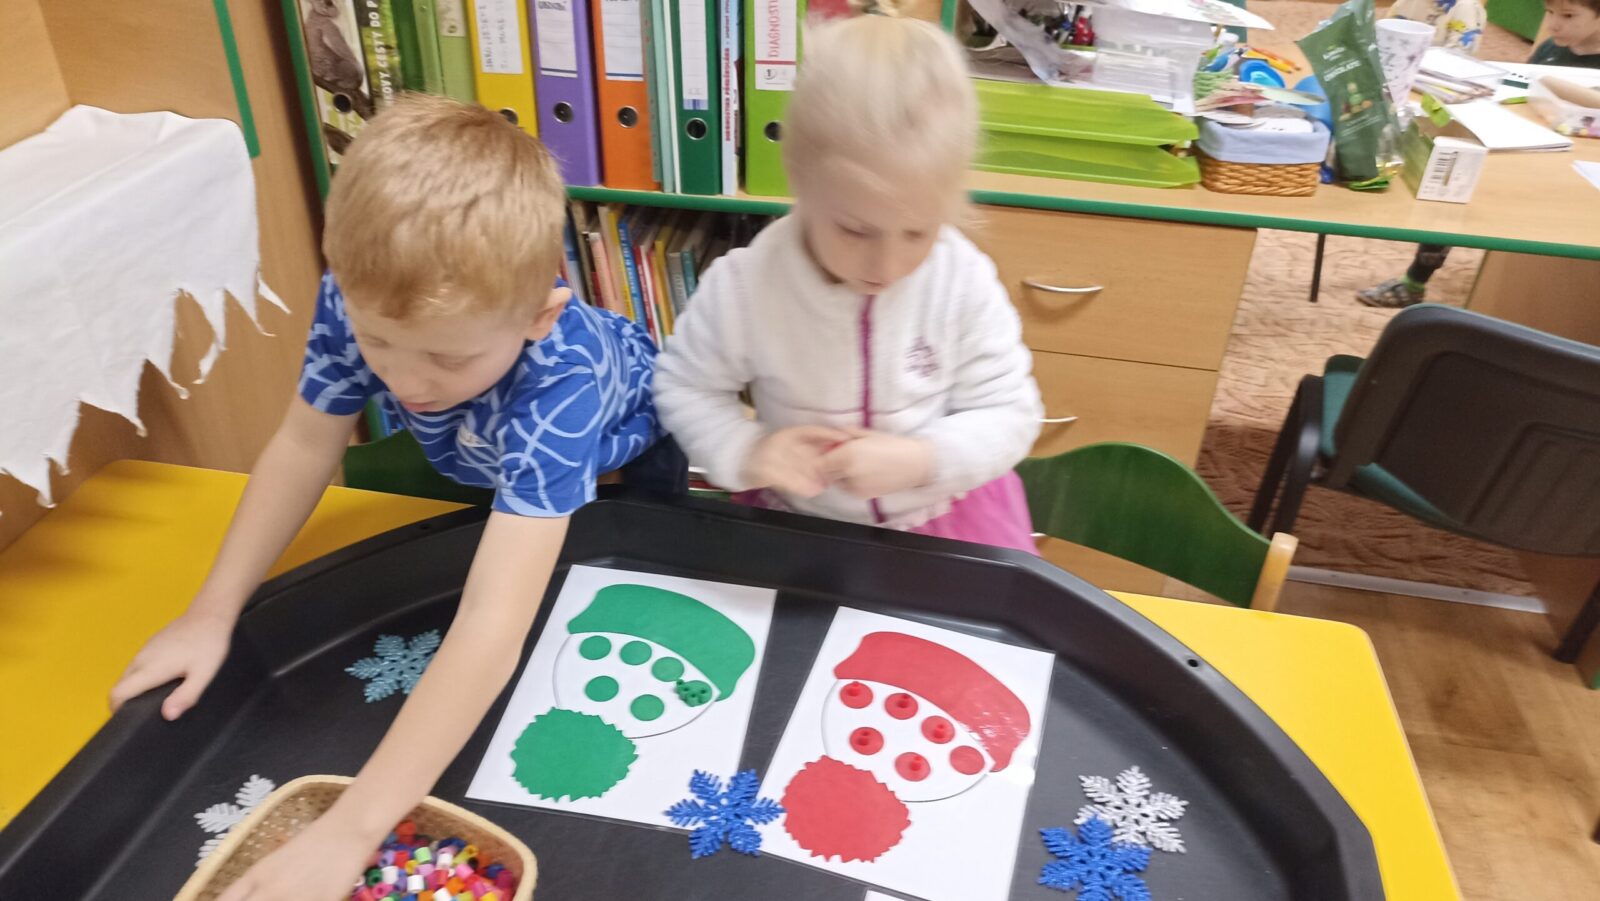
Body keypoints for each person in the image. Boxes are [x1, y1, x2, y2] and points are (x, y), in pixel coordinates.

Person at [109, 95, 677, 898]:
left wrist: (351, 829)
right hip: (490, 451)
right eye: (379, 343)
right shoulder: (360, 298)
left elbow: (491, 625)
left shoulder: (563, 383)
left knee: (622, 576)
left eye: (446, 358)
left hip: (637, 445)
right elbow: (304, 444)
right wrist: (212, 611)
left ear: (539, 316)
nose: (407, 383)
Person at [654, 0, 1043, 552]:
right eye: (855, 231)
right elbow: (684, 387)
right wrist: (746, 450)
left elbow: (1011, 412)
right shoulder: (747, 287)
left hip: (942, 518)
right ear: (799, 181)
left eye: (918, 232)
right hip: (803, 524)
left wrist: (924, 459)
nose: (885, 266)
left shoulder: (961, 280)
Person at [1358, 0, 1600, 307]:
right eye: (1549, 12)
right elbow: (1522, 93)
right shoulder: (1550, 50)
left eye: (1568, 15)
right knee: (1457, 178)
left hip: (1576, 170)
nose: (1553, 24)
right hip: (1529, 145)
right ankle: (1416, 281)